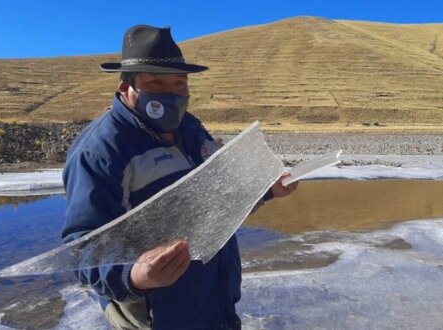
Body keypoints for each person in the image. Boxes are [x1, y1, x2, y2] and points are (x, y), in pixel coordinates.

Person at [61, 25, 298, 330]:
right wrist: (134, 277)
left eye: (179, 83)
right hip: (157, 318)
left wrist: (264, 189)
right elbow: (85, 248)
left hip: (216, 306)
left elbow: (221, 196)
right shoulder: (100, 151)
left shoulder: (191, 128)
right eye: (155, 83)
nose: (171, 94)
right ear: (125, 88)